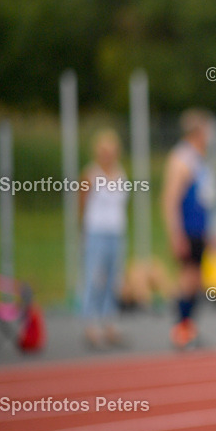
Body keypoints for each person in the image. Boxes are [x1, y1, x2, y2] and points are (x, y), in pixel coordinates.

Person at [162, 109, 216, 349]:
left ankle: (188, 328)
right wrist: (176, 234)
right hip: (188, 230)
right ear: (198, 132)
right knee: (187, 280)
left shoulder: (198, 158)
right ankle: (181, 329)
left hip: (200, 229)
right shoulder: (182, 159)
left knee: (197, 280)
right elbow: (170, 199)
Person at [79, 129, 129, 349]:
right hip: (96, 232)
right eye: (104, 151)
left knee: (113, 278)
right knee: (93, 277)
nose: (108, 155)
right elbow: (81, 203)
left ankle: (109, 322)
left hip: (116, 232)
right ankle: (90, 324)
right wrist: (83, 230)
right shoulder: (90, 174)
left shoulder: (121, 173)